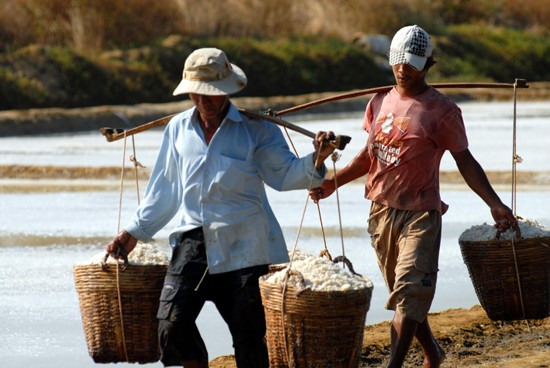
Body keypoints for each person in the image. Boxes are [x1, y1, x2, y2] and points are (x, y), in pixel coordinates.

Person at [105, 47, 336, 368]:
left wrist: (317, 159)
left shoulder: (258, 130)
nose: (203, 102)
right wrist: (131, 233)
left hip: (246, 248)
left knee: (250, 340)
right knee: (171, 326)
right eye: (196, 94)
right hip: (192, 244)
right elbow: (164, 189)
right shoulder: (178, 129)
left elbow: (283, 176)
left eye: (211, 95)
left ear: (227, 90)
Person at [309, 25, 517, 368]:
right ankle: (432, 351)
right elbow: (369, 154)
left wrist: (494, 203)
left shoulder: (442, 111)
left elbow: (465, 160)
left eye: (412, 63)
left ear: (428, 63)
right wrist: (334, 182)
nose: (403, 69)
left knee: (409, 295)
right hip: (381, 211)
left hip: (420, 214)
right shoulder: (379, 101)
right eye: (397, 62)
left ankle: (394, 365)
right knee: (405, 296)